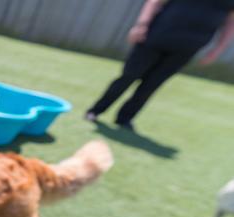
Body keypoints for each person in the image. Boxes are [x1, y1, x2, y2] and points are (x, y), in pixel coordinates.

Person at [85, 0, 234, 131]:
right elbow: (154, 1)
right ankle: (96, 110)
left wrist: (218, 49)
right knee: (129, 76)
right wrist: (141, 25)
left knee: (152, 84)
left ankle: (124, 118)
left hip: (188, 46)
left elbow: (230, 22)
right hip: (156, 36)